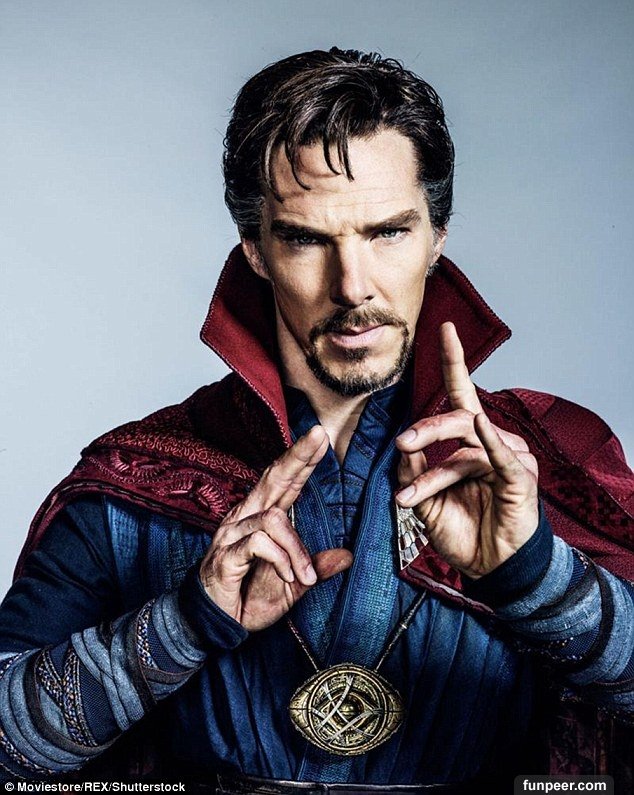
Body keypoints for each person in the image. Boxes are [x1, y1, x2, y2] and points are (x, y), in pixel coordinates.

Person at [0, 47, 632, 792]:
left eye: (388, 232)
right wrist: (186, 623)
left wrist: (536, 576)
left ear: (438, 237)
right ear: (256, 251)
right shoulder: (137, 481)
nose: (353, 286)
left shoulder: (548, 462)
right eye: (306, 239)